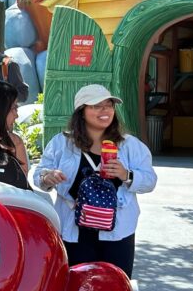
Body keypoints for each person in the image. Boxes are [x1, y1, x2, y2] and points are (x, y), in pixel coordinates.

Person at [33, 84, 157, 277]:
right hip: (74, 231)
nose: (105, 110)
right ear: (81, 111)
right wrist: (47, 177)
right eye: (96, 106)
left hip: (118, 231)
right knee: (76, 288)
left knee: (115, 286)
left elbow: (150, 180)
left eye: (109, 105)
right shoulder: (62, 143)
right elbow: (39, 175)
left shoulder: (130, 145)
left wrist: (127, 175)